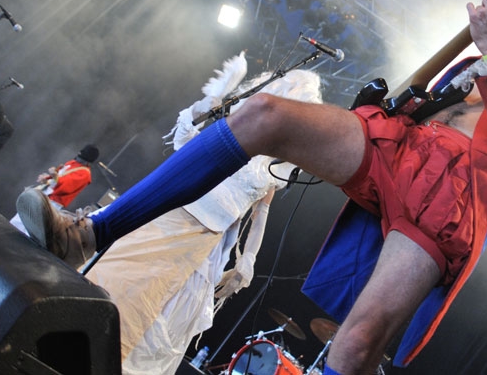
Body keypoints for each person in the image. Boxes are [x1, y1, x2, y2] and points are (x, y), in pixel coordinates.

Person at [18, 0, 487, 374]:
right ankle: (88, 234)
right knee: (263, 112)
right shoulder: (485, 53)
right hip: (405, 148)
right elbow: (433, 110)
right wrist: (399, 100)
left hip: (453, 201)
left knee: (353, 350)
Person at [83, 55, 322, 374]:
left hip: (205, 242)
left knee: (154, 314)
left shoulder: (280, 162)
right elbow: (188, 147)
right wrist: (212, 99)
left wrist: (247, 261)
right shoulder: (240, 122)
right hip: (173, 213)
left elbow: (261, 211)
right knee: (118, 284)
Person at [9, 144, 99, 234]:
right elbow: (57, 177)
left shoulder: (85, 174)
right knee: (23, 216)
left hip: (53, 201)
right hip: (44, 194)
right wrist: (47, 178)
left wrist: (54, 176)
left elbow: (66, 186)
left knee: (33, 223)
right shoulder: (72, 163)